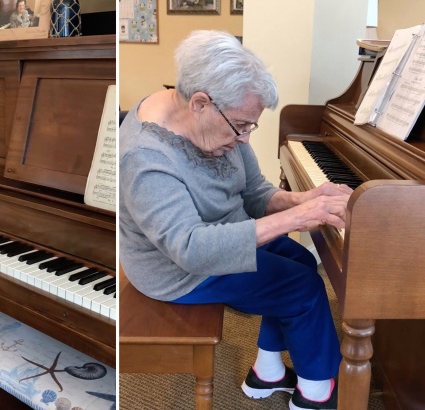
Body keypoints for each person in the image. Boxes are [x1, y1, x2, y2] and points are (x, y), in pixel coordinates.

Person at [119, 30, 352, 410]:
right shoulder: (146, 159)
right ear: (200, 103)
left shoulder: (214, 123)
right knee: (303, 287)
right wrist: (295, 217)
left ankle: (269, 371)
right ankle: (315, 392)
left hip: (221, 234)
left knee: (302, 261)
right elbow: (191, 250)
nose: (245, 139)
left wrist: (304, 199)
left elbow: (254, 192)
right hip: (176, 269)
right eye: (242, 125)